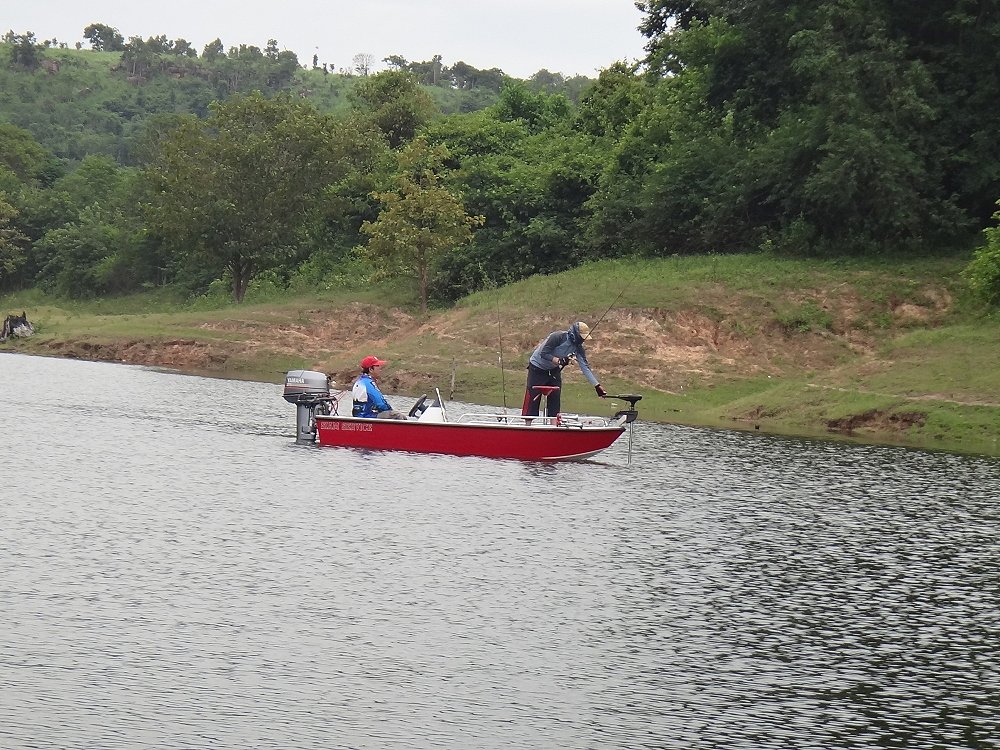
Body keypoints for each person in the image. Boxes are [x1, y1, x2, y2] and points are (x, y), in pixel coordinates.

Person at [521, 321, 607, 419]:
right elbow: (544, 353)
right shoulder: (558, 337)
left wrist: (597, 386)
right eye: (581, 337)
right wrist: (559, 361)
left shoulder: (578, 348)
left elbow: (585, 367)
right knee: (533, 400)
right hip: (537, 367)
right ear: (575, 333)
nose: (582, 340)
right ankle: (528, 426)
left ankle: (553, 428)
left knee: (555, 399)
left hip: (553, 371)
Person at [352, 355, 408, 419]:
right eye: (377, 366)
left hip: (360, 416)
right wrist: (391, 411)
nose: (380, 368)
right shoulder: (368, 383)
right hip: (367, 416)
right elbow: (381, 404)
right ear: (370, 369)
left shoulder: (359, 381)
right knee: (398, 416)